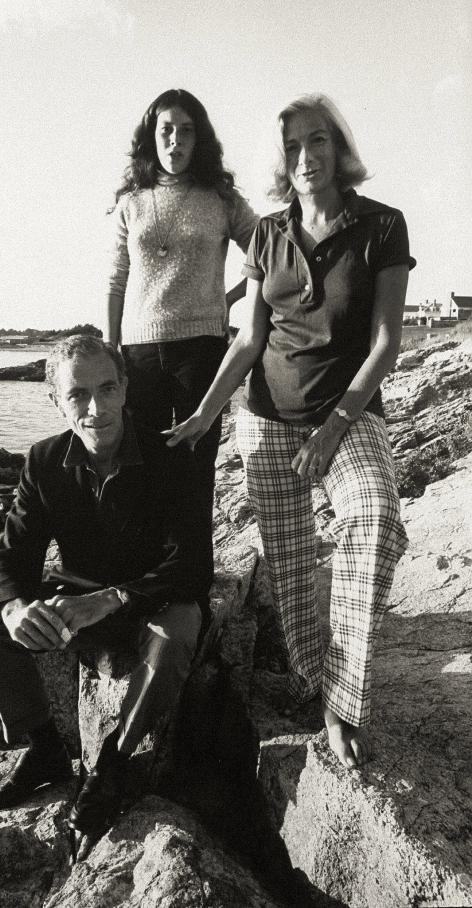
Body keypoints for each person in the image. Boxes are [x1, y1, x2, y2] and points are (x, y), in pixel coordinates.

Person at [165, 93, 415, 769]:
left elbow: (387, 342)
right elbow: (248, 341)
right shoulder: (268, 236)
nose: (306, 157)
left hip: (348, 412)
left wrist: (335, 427)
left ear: (338, 148)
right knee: (294, 571)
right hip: (267, 418)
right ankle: (317, 676)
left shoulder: (382, 226)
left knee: (375, 517)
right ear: (284, 161)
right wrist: (205, 413)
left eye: (318, 142)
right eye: (293, 147)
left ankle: (341, 699)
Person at [0, 334, 211, 843]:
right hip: (76, 592)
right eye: (77, 394)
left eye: (107, 389)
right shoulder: (45, 460)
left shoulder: (172, 456)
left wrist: (109, 599)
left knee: (178, 632)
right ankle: (44, 746)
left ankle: (114, 762)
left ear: (125, 389)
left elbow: (191, 566)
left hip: (147, 594)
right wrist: (13, 609)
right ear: (56, 400)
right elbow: (12, 556)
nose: (95, 408)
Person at [105, 88, 258, 576]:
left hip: (202, 349)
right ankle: (145, 578)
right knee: (140, 465)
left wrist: (230, 299)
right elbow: (116, 279)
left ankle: (192, 583)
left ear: (199, 138)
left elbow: (268, 251)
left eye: (185, 130)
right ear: (153, 137)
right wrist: (112, 349)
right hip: (139, 351)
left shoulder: (221, 199)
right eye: (166, 130)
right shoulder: (132, 202)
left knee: (194, 466)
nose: (175, 140)